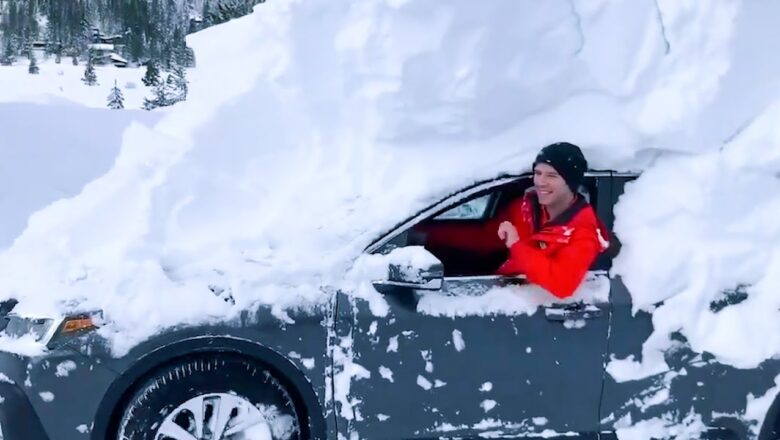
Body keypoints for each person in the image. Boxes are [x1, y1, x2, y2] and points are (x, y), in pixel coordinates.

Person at [495, 142, 609, 299]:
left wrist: (516, 245)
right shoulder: (527, 206)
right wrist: (448, 236)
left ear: (570, 182)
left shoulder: (583, 233)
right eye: (538, 173)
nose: (540, 182)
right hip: (502, 289)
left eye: (551, 176)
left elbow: (561, 285)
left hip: (537, 314)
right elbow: (485, 235)